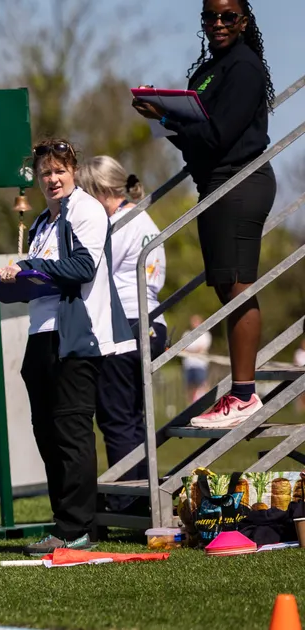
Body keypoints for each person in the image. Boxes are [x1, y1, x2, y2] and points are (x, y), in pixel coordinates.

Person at [132, 0, 276, 429]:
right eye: (210, 16)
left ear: (244, 20)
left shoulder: (244, 67)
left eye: (228, 16)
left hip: (239, 183)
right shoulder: (209, 69)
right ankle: (240, 390)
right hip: (214, 184)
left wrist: (169, 118)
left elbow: (218, 135)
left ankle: (245, 394)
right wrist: (165, 117)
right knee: (225, 287)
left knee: (237, 286)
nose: (218, 23)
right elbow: (198, 140)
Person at [0, 139, 135, 555]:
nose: (52, 179)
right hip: (41, 336)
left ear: (73, 171)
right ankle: (69, 523)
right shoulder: (41, 221)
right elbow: (43, 277)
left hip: (78, 337)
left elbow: (82, 267)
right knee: (48, 434)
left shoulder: (87, 210)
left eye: (59, 170)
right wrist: (12, 283)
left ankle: (77, 528)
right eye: (45, 173)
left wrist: (30, 267)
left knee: (72, 433)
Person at [76, 156, 167, 515]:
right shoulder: (143, 218)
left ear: (100, 190)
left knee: (116, 417)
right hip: (150, 320)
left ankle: (128, 501)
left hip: (125, 321)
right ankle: (142, 495)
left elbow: (93, 272)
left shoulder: (117, 224)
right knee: (132, 417)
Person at [183, 314, 213, 403]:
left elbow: (201, 349)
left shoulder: (205, 335)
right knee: (189, 387)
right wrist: (193, 351)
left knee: (203, 385)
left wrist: (190, 351)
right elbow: (183, 349)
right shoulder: (186, 334)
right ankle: (190, 406)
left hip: (200, 365)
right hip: (189, 365)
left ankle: (207, 405)